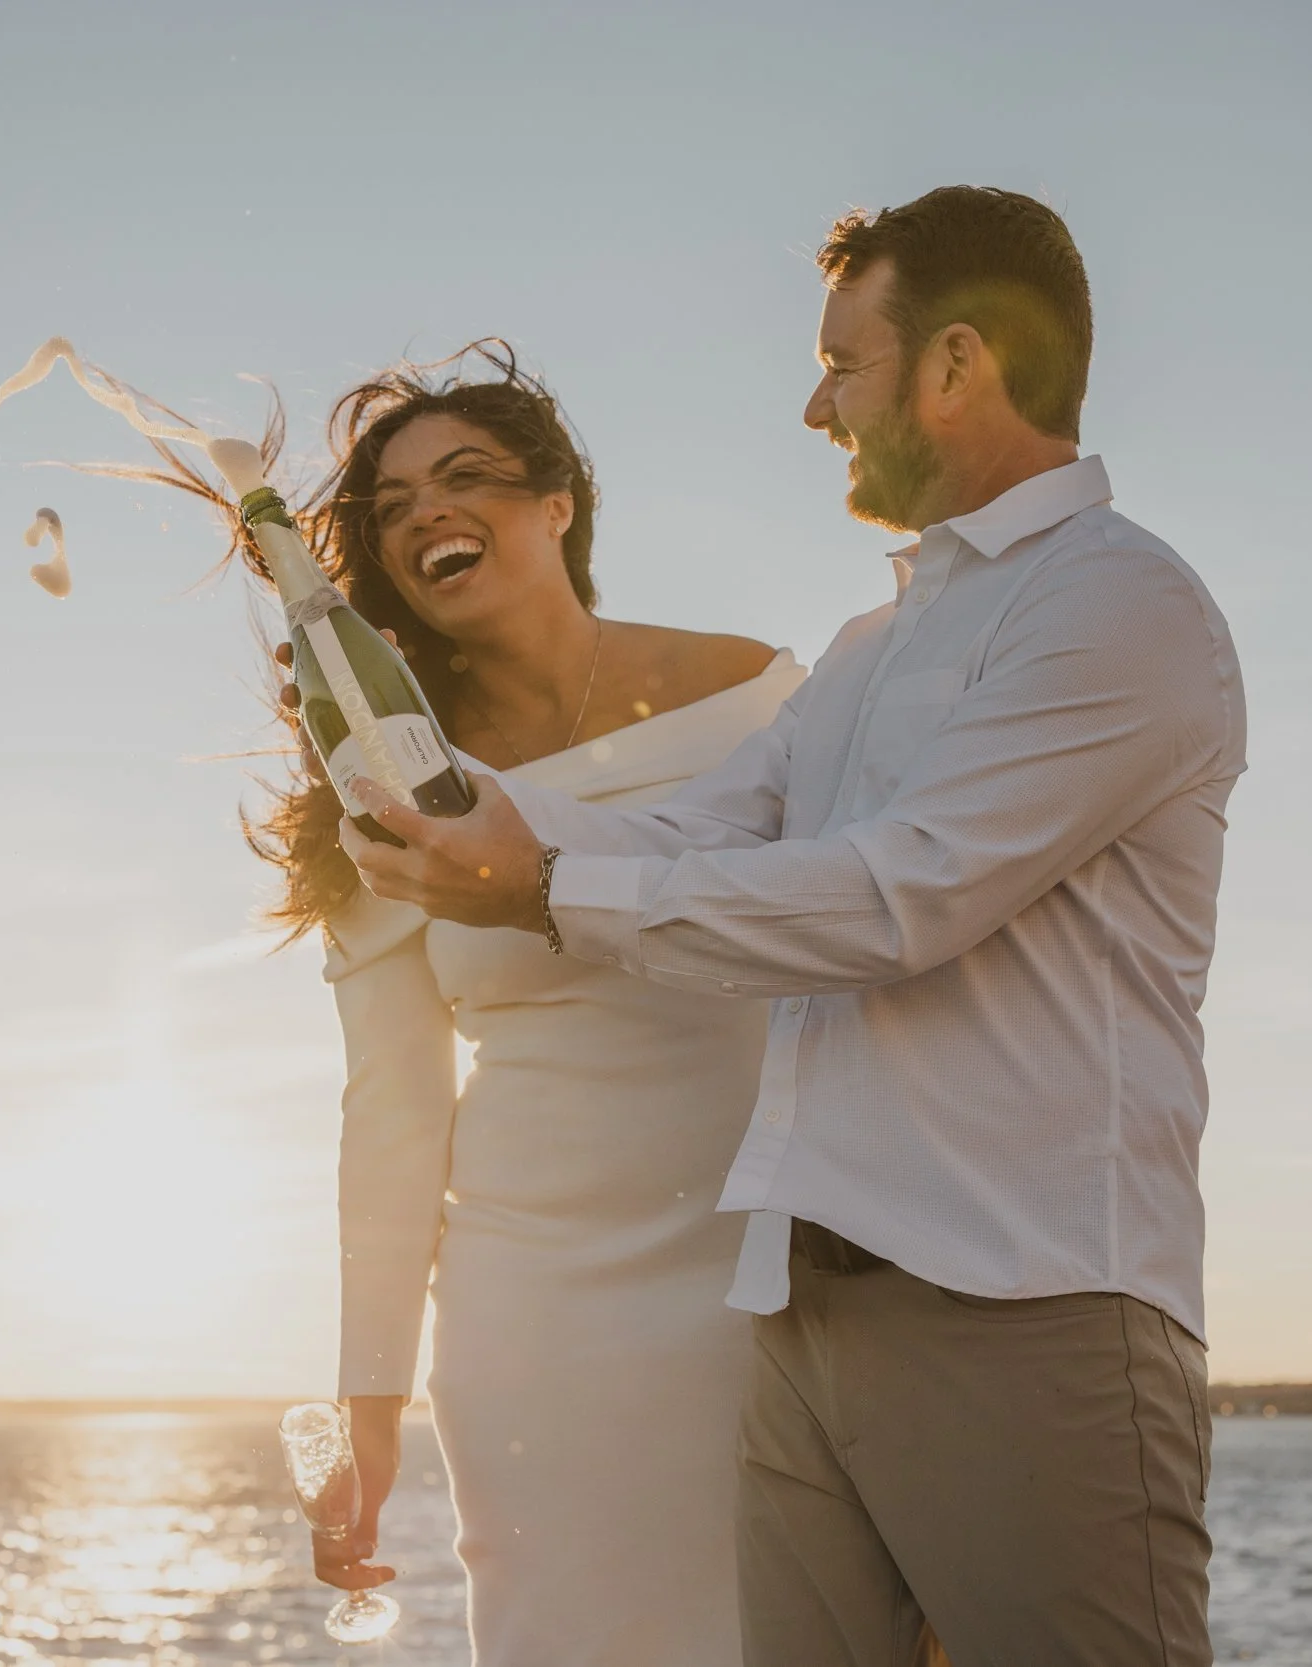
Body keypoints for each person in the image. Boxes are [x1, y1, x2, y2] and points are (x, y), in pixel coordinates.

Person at [338, 188, 1245, 1666]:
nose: (817, 403)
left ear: (957, 365)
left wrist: (542, 887)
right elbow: (710, 825)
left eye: (845, 362)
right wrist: (490, 833)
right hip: (801, 1309)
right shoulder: (874, 646)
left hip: (1026, 1300)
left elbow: (903, 894)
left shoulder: (1121, 603)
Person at [251, 343, 803, 1663]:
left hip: (786, 1282)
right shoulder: (379, 779)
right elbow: (392, 1107)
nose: (424, 512)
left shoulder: (761, 698)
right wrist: (368, 1402)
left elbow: (877, 933)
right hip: (536, 1317)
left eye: (465, 479)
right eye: (389, 509)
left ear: (558, 503)